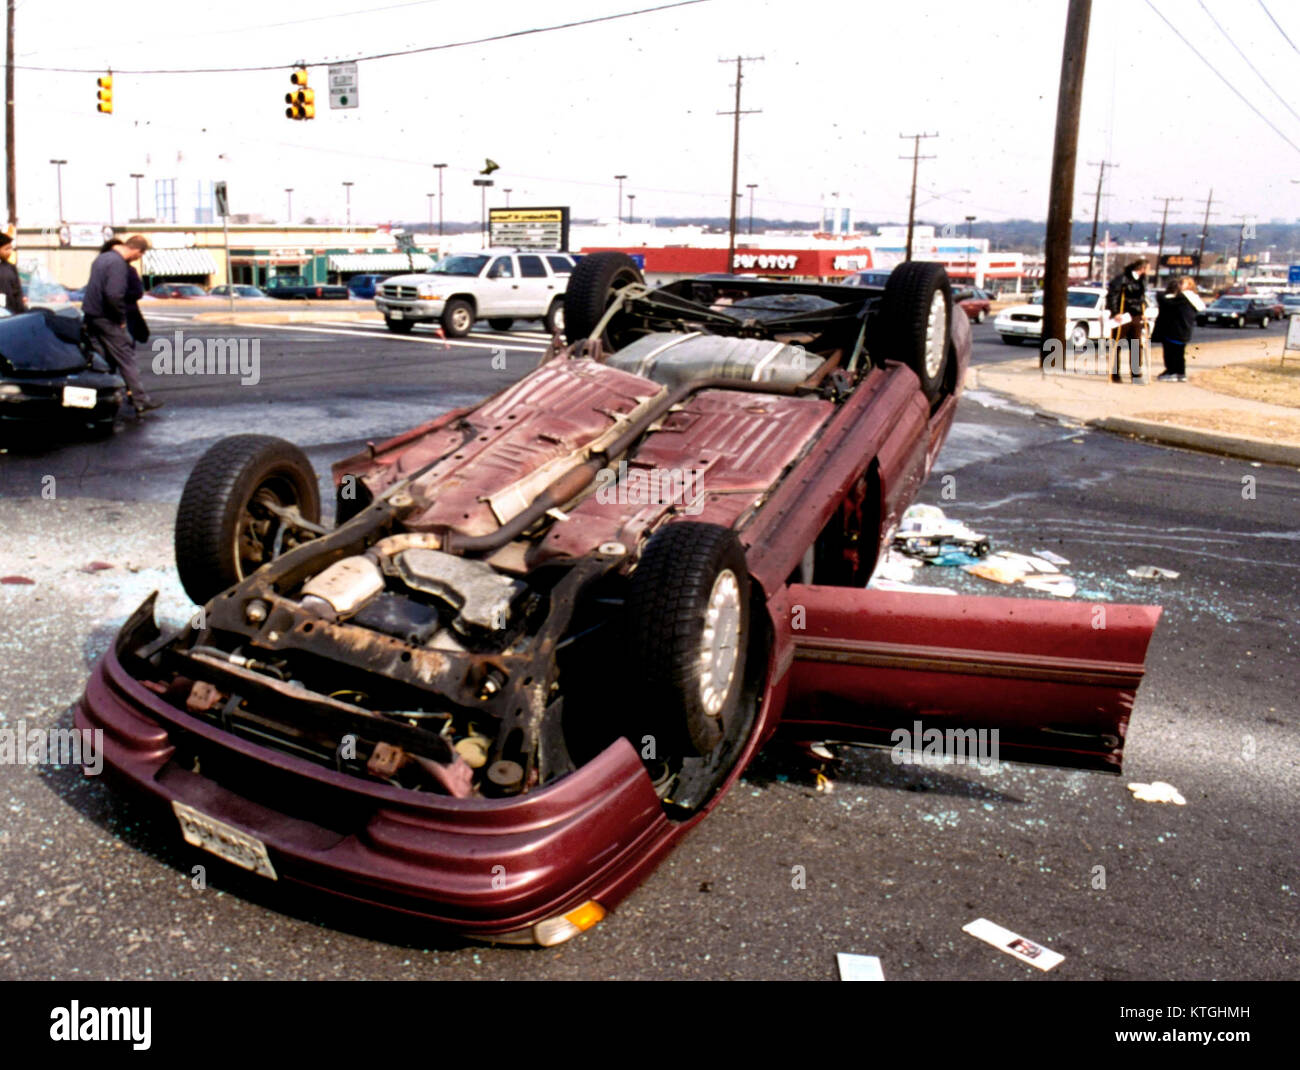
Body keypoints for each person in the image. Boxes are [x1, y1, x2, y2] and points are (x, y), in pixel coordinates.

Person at [82, 234, 162, 416]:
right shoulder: (118, 263)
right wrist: (120, 319)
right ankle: (140, 400)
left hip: (91, 315)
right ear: (136, 250)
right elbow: (113, 294)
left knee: (102, 359)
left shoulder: (102, 259)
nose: (138, 259)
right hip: (107, 318)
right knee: (126, 358)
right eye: (140, 255)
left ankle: (101, 397)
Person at [1151, 275, 1205, 382]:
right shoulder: (1193, 298)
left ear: (1189, 285)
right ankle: (1180, 372)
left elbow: (1167, 303)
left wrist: (1160, 296)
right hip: (1183, 329)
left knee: (1172, 352)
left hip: (1177, 329)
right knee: (1179, 352)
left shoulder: (1185, 297)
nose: (1179, 285)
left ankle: (1172, 371)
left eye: (1181, 283)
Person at [1105, 258, 1149, 383]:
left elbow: (1142, 298)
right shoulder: (1122, 279)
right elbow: (1112, 296)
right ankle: (1114, 374)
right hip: (1122, 314)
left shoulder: (1143, 280)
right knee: (1116, 345)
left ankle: (1136, 375)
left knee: (1136, 345)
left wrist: (1143, 311)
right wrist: (1115, 312)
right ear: (1142, 268)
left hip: (1135, 316)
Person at [0, 232, 26, 315]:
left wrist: (22, 309)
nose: (10, 252)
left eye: (11, 248)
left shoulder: (10, 267)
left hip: (13, 313)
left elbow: (17, 290)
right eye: (6, 249)